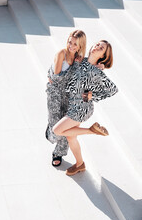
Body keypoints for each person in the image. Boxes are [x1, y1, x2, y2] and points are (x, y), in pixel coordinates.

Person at [53, 40, 118, 176]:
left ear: (103, 56)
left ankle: (92, 131)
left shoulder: (96, 71)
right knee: (71, 137)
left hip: (82, 108)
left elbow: (112, 90)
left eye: (101, 48)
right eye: (97, 45)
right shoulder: (82, 60)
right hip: (72, 104)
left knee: (57, 130)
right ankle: (80, 164)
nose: (97, 47)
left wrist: (93, 95)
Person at [46, 30, 86, 167]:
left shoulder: (79, 59)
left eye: (75, 44)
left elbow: (83, 74)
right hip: (55, 93)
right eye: (70, 42)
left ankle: (58, 153)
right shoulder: (61, 54)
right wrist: (74, 67)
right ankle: (49, 130)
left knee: (65, 127)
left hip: (69, 95)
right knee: (55, 130)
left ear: (80, 46)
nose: (71, 46)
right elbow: (56, 78)